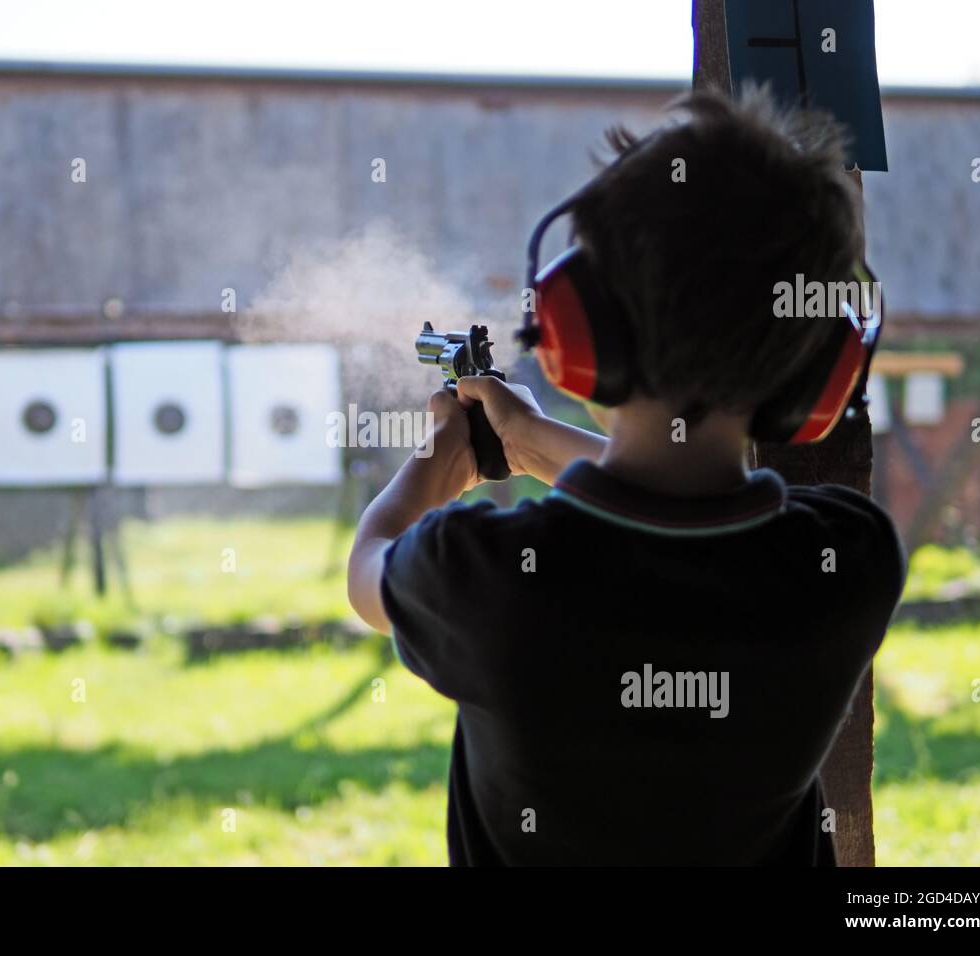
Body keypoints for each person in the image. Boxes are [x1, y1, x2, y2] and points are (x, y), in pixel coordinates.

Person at [346, 87, 906, 865]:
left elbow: (369, 564)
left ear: (578, 331)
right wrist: (533, 440)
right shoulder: (848, 560)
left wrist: (432, 460)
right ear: (818, 365)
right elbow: (678, 518)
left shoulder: (479, 572)